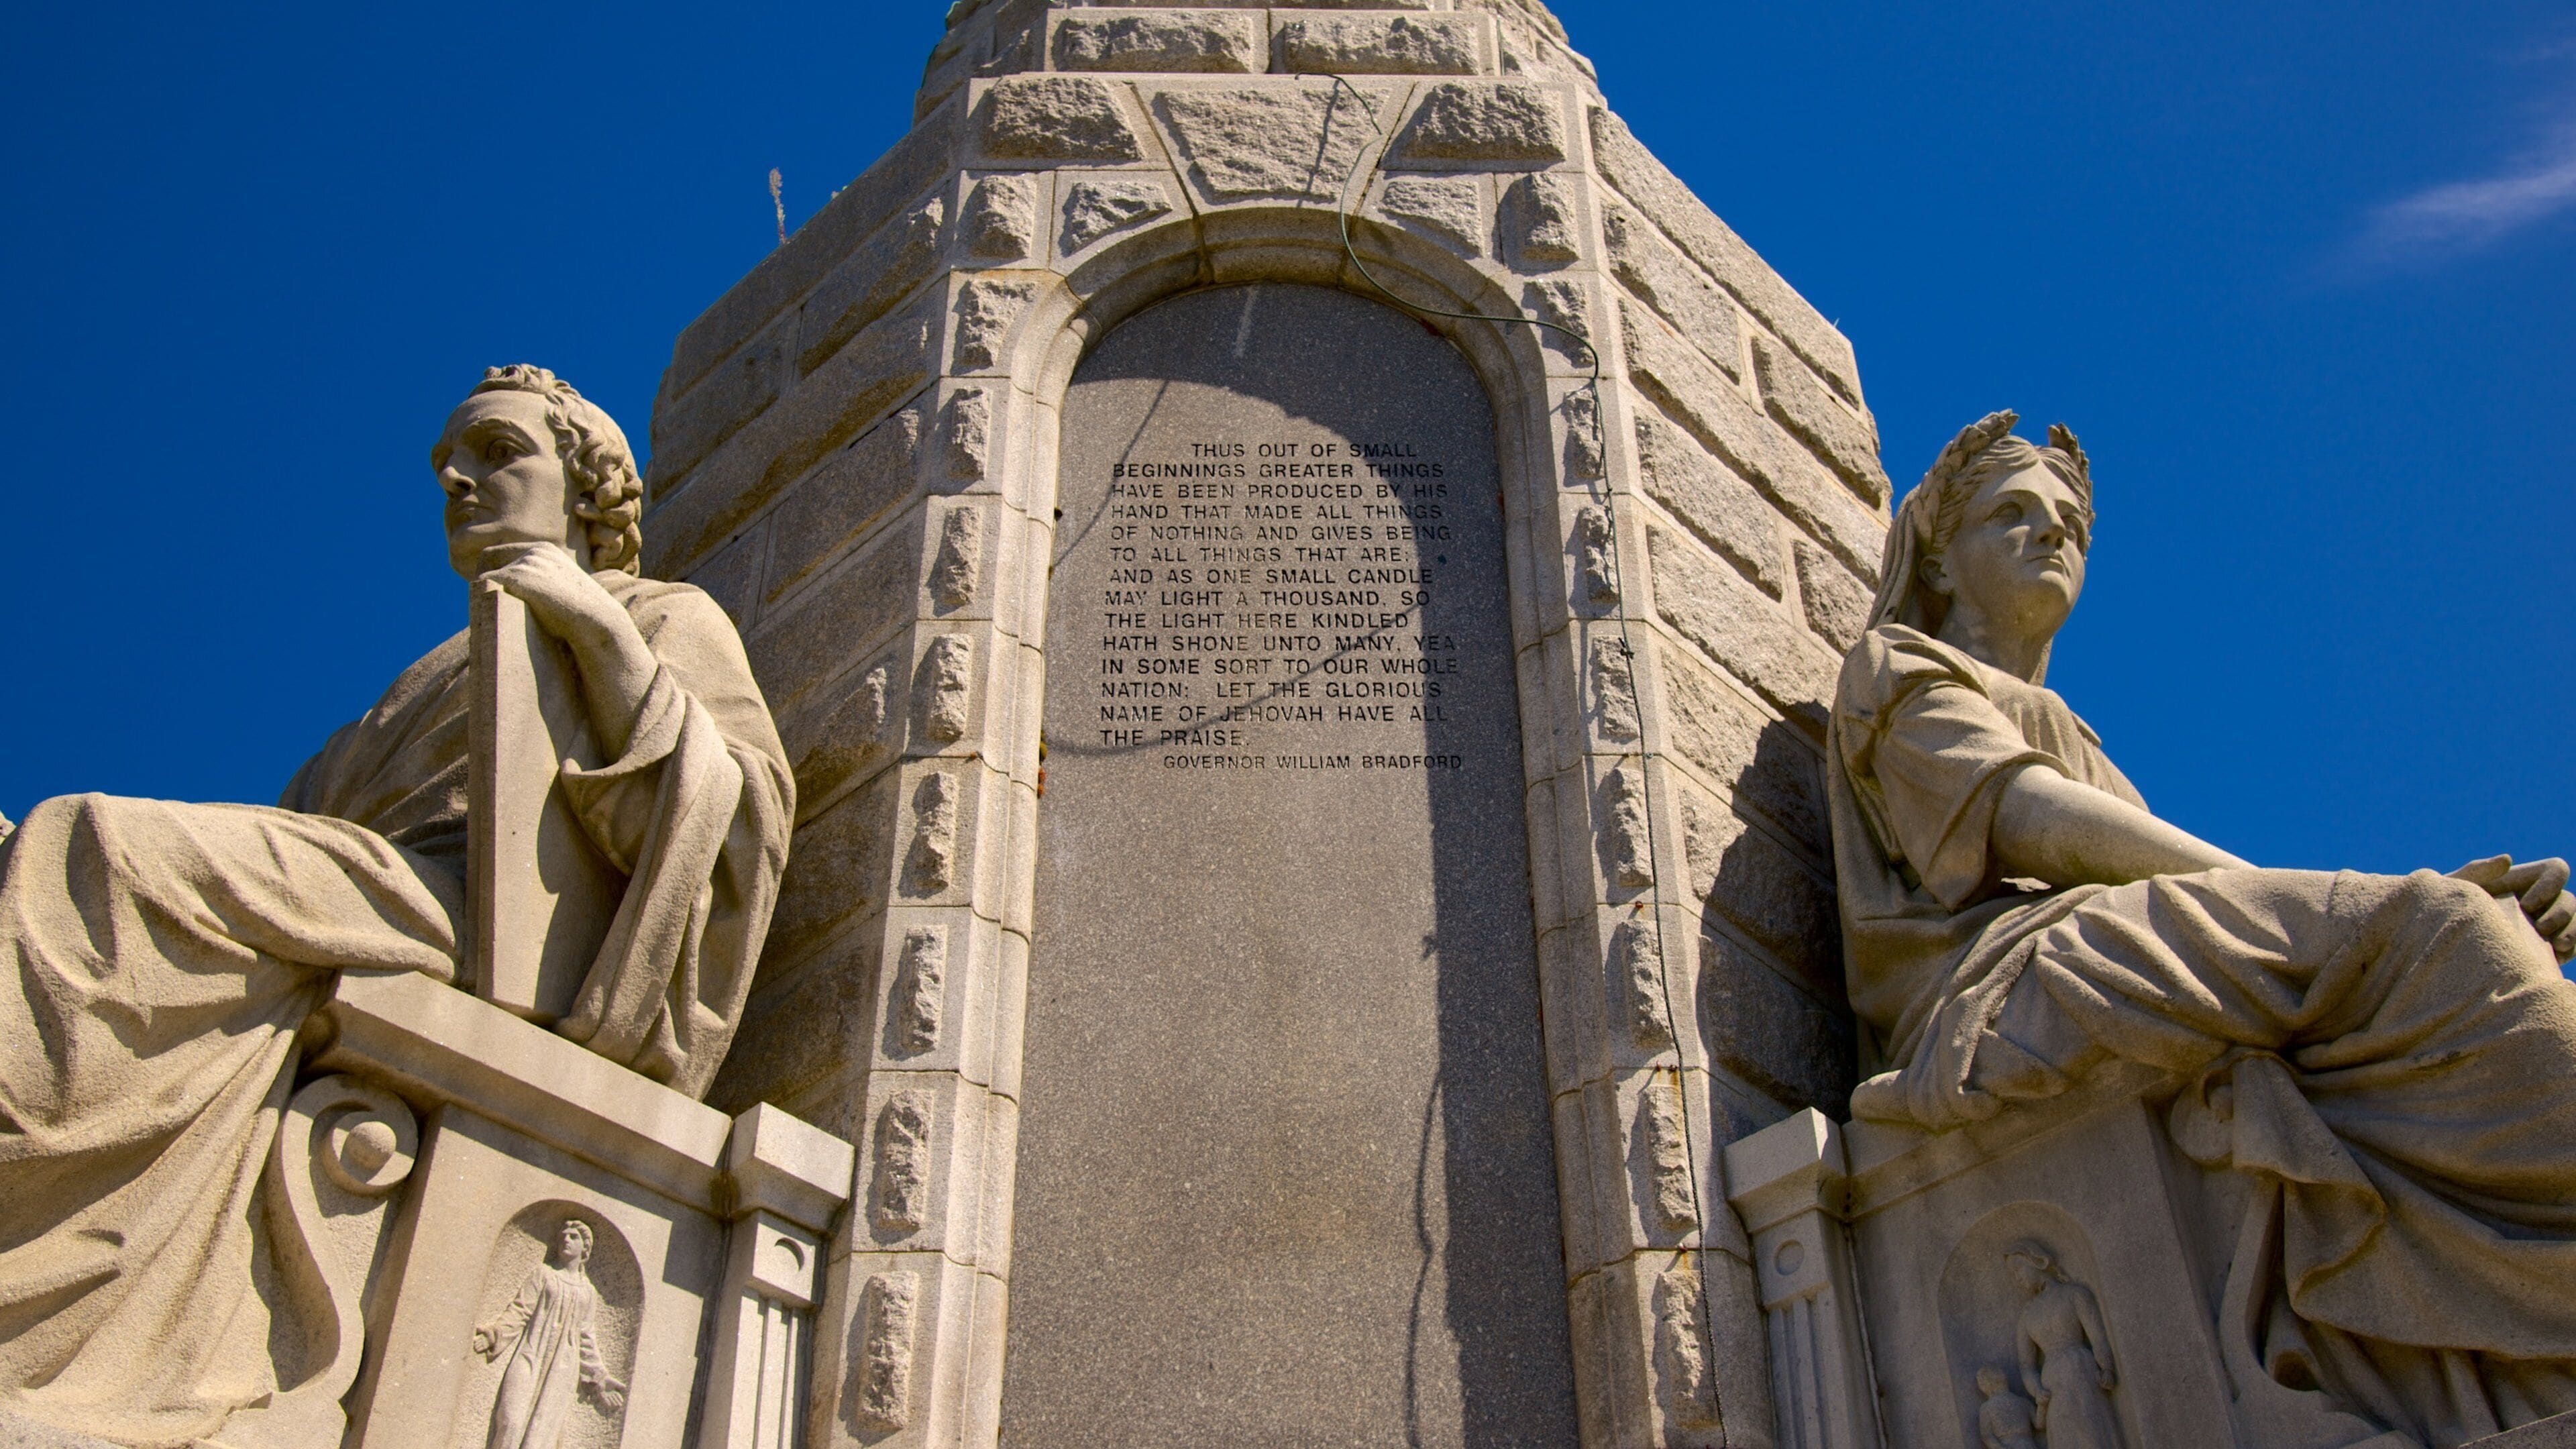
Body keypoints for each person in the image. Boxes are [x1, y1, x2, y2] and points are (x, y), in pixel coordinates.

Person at [0, 367, 792, 1444]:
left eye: (499, 452)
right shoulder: (405, 690)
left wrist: (593, 629)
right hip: (355, 888)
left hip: (475, 910)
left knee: (94, 845)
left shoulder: (659, 613)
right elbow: (301, 827)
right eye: (447, 467)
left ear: (587, 488)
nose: (461, 480)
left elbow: (737, 815)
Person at [1828, 411, 2576, 1446]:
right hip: (2005, 983)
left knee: (2460, 942)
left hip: (2099, 946)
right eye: (2014, 514)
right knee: (2437, 932)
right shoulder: (1896, 671)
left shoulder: (2077, 728)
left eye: (2070, 526)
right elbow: (2028, 819)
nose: (2054, 537)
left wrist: (2360, 920)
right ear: (1940, 561)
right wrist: (2348, 913)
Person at [474, 1218, 627, 1449]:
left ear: (585, 1247)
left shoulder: (588, 1293)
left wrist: (600, 1378)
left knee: (541, 1434)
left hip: (563, 1369)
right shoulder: (543, 1274)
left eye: (573, 1237)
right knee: (511, 1421)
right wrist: (494, 1335)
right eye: (563, 1236)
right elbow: (520, 1310)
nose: (566, 1240)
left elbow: (586, 1339)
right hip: (530, 1355)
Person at [2005, 1244, 2119, 1449]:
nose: (2017, 1278)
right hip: (2052, 1382)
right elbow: (2027, 1367)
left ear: (2037, 1263)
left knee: (2091, 1429)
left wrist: (2107, 1368)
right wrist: (2036, 1390)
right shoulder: (2027, 1315)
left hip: (2081, 1368)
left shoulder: (2075, 1294)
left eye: (2018, 1270)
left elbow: (2098, 1338)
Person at [1976, 1364, 2043, 1449]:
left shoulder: (1987, 1408)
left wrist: (2042, 1405)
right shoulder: (2023, 1402)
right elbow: (1987, 1436)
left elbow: (1987, 1436)